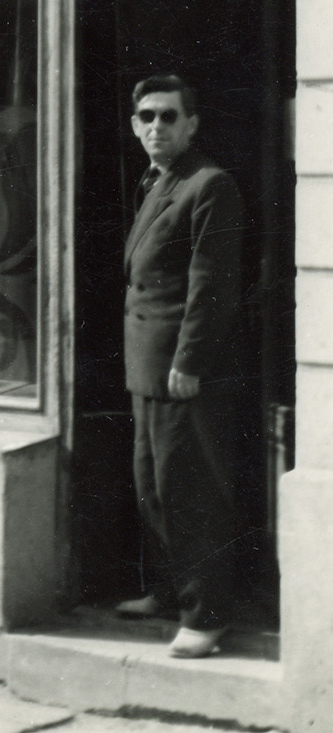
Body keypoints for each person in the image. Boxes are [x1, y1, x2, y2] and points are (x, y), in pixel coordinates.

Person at [117, 74, 245, 660]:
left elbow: (211, 284)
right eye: (147, 116)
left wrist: (189, 361)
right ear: (135, 124)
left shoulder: (208, 184)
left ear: (192, 123)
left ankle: (206, 615)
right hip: (146, 364)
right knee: (152, 486)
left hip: (179, 368)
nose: (157, 126)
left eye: (169, 116)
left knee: (186, 488)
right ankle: (169, 592)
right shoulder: (156, 182)